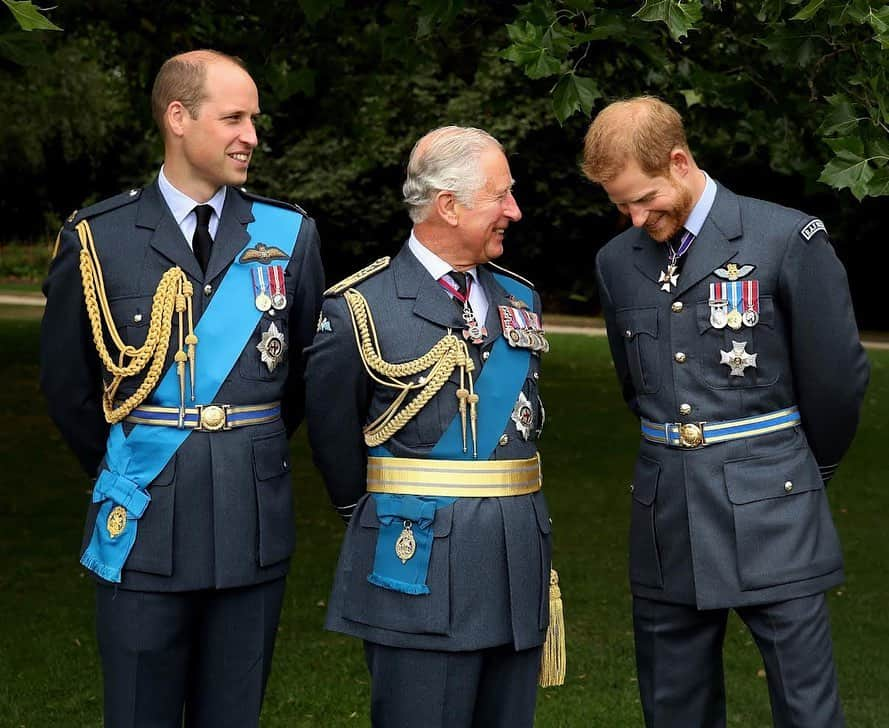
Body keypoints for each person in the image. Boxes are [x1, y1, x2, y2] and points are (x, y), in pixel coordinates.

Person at [40, 50, 324, 727]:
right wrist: (139, 468)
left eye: (253, 119)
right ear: (177, 117)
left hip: (251, 530)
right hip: (144, 528)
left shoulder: (289, 235)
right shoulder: (99, 237)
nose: (250, 135)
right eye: (232, 118)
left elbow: (302, 381)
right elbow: (68, 388)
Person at [584, 96, 869, 727]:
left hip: (776, 506)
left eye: (644, 197)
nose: (634, 217)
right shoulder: (617, 263)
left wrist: (800, 471)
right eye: (620, 204)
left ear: (680, 162)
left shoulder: (785, 238)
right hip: (666, 516)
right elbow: (638, 388)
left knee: (806, 708)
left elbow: (838, 382)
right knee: (673, 708)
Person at [304, 126, 563, 727]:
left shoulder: (520, 298)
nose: (514, 211)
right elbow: (334, 442)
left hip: (515, 557)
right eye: (501, 196)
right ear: (448, 204)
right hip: (417, 562)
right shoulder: (358, 307)